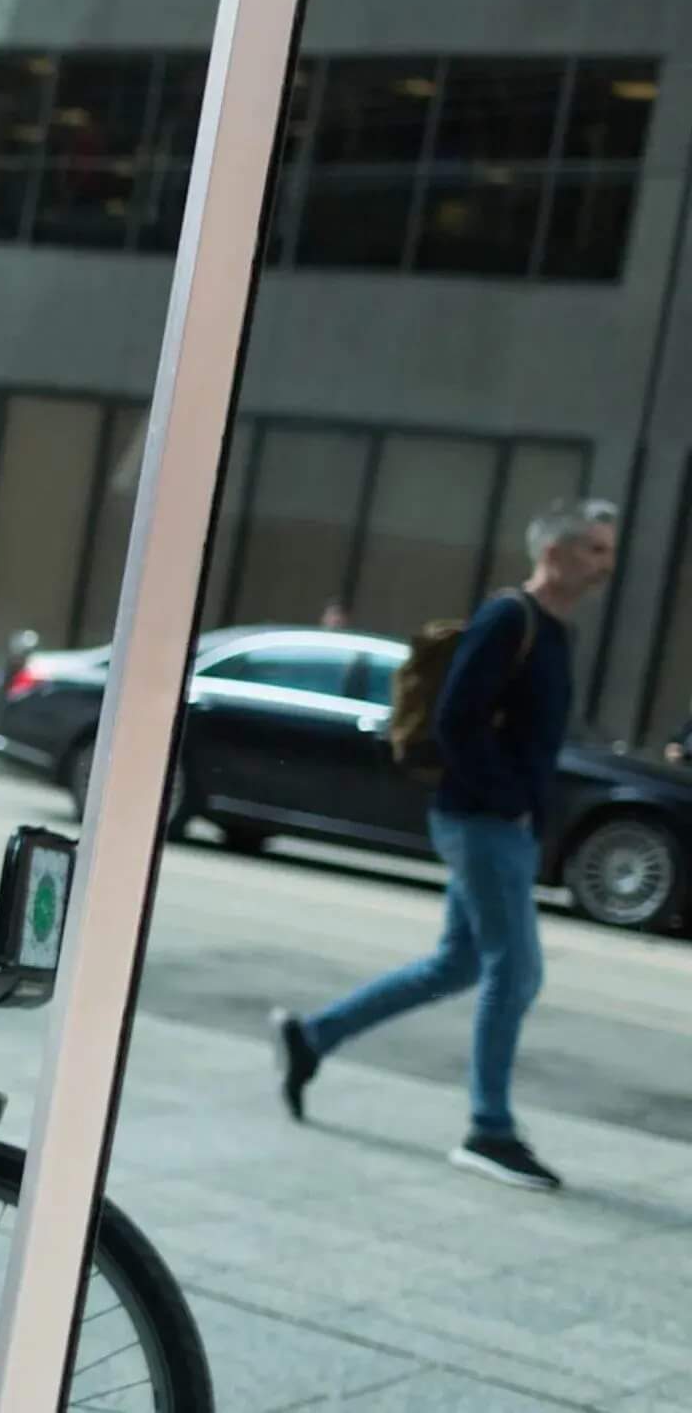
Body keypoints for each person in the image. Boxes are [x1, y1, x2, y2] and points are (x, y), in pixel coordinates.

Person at [273, 498, 620, 1192]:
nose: (607, 564)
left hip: (499, 822)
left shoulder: (558, 632)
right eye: (596, 550)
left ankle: (312, 1036)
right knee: (515, 972)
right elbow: (458, 720)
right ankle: (488, 1128)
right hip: (482, 821)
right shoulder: (508, 618)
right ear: (556, 552)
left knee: (457, 963)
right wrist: (510, 800)